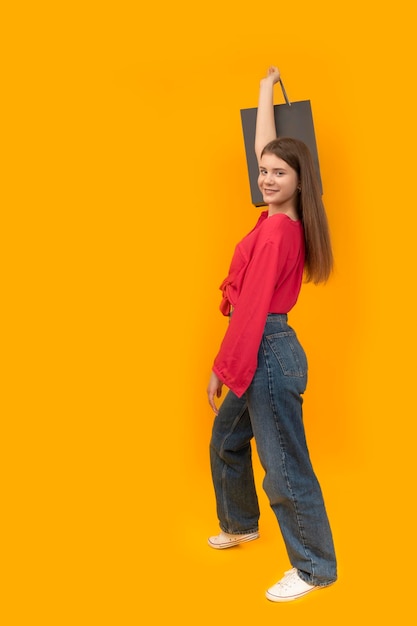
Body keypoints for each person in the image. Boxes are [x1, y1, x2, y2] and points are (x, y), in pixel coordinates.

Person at [206, 66, 337, 602]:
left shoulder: (279, 234)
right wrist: (265, 88)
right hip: (264, 344)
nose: (266, 178)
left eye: (279, 173)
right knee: (228, 438)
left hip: (266, 348)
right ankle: (241, 523)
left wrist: (220, 367)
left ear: (298, 181)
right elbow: (267, 148)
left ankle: (314, 568)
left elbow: (252, 312)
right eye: (263, 171)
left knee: (284, 466)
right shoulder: (280, 218)